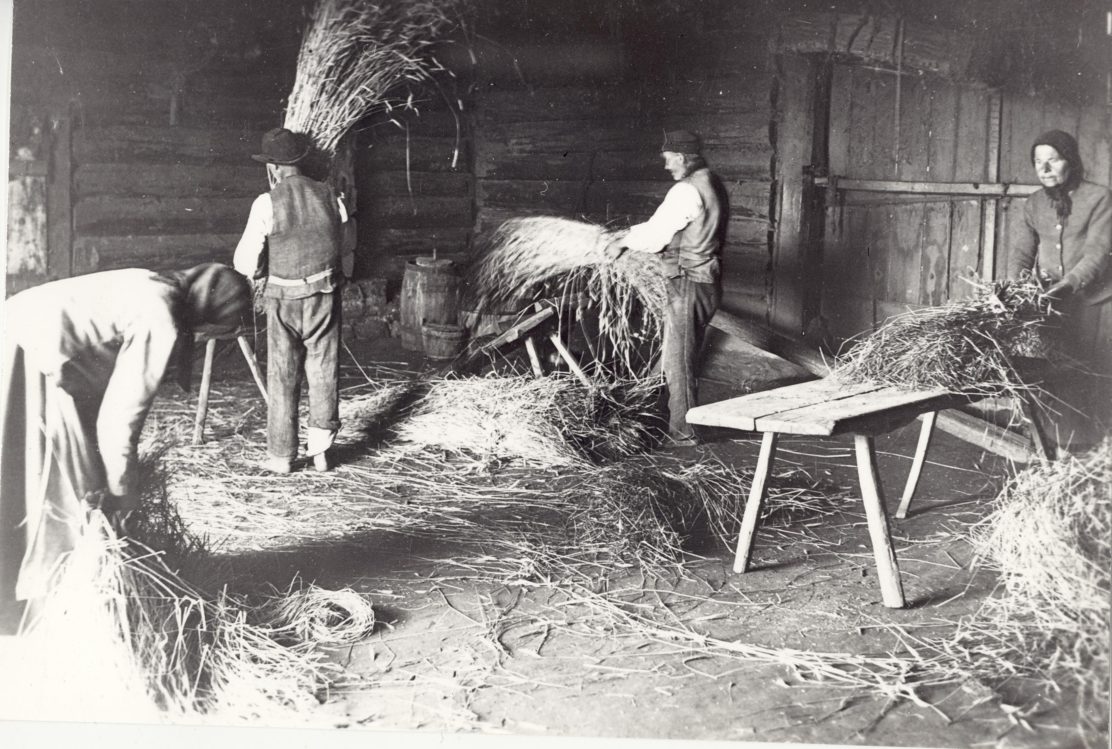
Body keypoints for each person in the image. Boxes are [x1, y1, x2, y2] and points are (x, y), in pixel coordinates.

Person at [0, 263, 251, 633]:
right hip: (31, 356)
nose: (201, 340)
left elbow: (90, 366)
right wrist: (122, 497)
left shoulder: (150, 282)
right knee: (65, 490)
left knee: (14, 472)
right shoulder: (161, 314)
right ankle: (54, 612)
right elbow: (118, 422)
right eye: (208, 332)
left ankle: (13, 597)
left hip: (14, 327)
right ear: (210, 311)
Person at [233, 127, 354, 474]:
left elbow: (244, 263)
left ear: (273, 167)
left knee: (283, 374)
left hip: (283, 301)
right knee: (324, 369)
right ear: (300, 161)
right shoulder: (331, 196)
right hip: (324, 296)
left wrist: (264, 267)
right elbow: (345, 244)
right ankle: (321, 453)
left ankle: (282, 456)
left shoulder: (266, 203)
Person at [604, 129, 730, 446]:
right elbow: (664, 225)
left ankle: (685, 432)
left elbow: (657, 235)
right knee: (677, 352)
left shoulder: (685, 190)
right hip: (706, 280)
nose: (666, 166)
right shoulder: (711, 182)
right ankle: (658, 412)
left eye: (669, 159)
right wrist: (628, 233)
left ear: (682, 157)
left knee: (679, 361)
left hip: (688, 281)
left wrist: (622, 243)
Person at [1008, 129, 1112, 450]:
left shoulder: (1099, 197)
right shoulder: (1034, 203)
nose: (1044, 168)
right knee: (1054, 372)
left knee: (1094, 370)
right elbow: (1022, 253)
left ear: (1072, 161)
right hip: (1052, 305)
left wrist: (1064, 287)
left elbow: (1097, 255)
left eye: (1053, 160)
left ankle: (1097, 448)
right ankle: (1057, 445)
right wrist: (1017, 290)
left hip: (1095, 303)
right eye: (1038, 161)